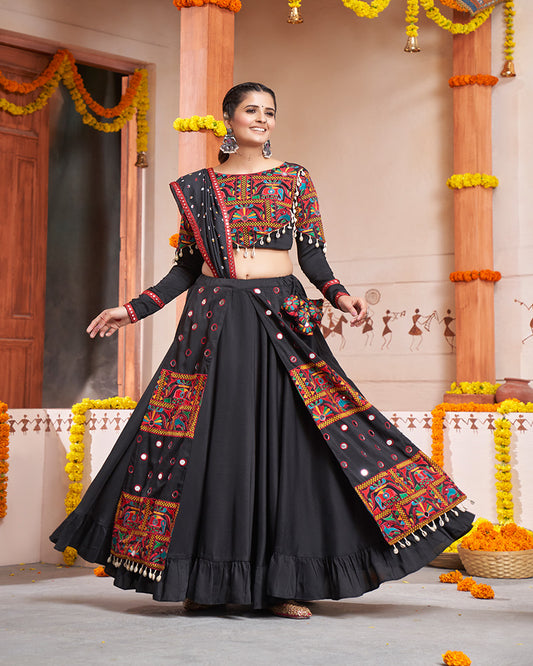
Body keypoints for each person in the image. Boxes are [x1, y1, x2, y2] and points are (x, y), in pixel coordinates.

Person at [51, 82, 474, 619]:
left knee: (294, 442)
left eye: (269, 112)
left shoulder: (294, 178)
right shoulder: (198, 188)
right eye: (251, 110)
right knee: (212, 446)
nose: (262, 119)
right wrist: (132, 309)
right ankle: (202, 579)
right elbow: (186, 268)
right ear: (228, 118)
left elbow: (312, 255)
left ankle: (283, 584)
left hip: (281, 318)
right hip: (215, 320)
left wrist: (339, 295)